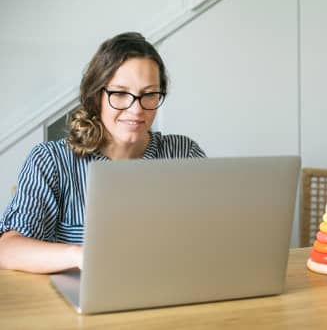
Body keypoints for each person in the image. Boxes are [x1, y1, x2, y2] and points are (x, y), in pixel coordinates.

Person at [0, 32, 206, 273]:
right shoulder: (51, 160)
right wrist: (80, 255)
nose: (136, 109)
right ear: (96, 95)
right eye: (119, 93)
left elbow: (214, 235)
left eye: (149, 94)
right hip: (80, 306)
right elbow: (7, 249)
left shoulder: (183, 154)